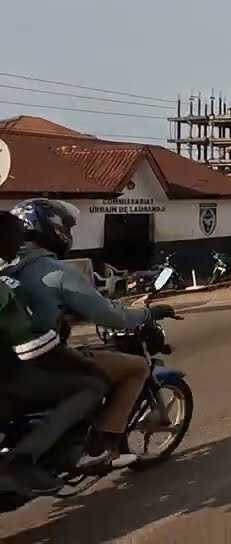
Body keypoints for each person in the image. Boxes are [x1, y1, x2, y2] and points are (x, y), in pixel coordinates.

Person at [5, 199, 175, 471]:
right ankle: (100, 448)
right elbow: (111, 315)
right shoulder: (55, 271)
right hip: (36, 359)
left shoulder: (6, 266)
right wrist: (148, 314)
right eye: (65, 227)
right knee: (133, 368)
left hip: (8, 357)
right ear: (52, 230)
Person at [0, 212, 112, 494]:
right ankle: (22, 459)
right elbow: (31, 348)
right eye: (15, 237)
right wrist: (83, 364)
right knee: (92, 385)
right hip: (8, 375)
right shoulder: (4, 288)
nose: (19, 243)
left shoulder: (10, 276)